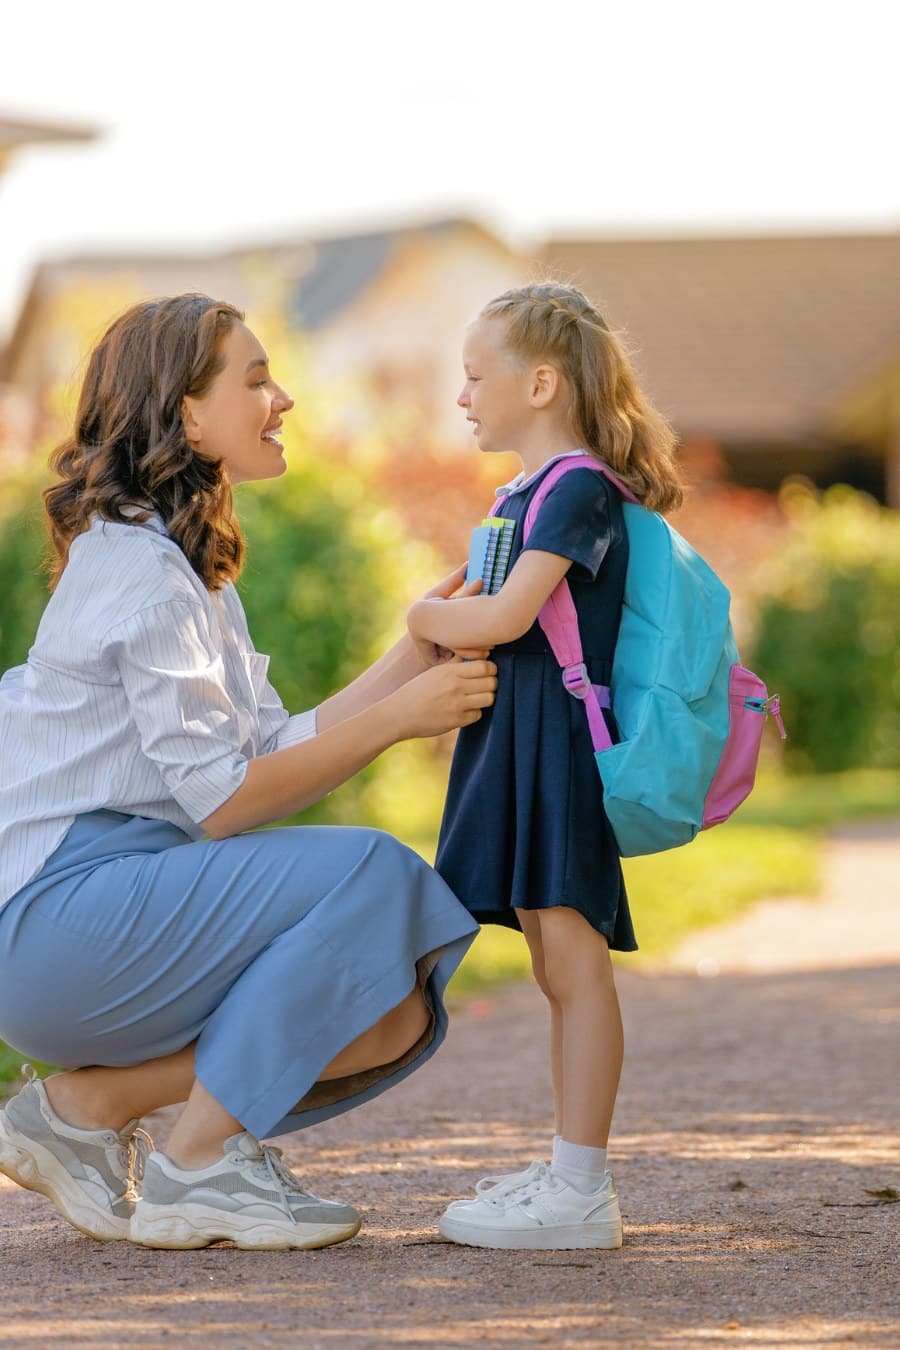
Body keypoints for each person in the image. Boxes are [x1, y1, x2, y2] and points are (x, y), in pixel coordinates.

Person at [0, 293, 498, 1251]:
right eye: (256, 377)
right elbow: (227, 805)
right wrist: (399, 721)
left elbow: (259, 750)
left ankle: (88, 1111)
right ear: (186, 412)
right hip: (55, 921)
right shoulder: (142, 573)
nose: (284, 398)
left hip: (107, 907)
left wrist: (411, 656)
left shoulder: (183, 566)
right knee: (377, 874)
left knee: (389, 1002)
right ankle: (198, 1166)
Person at [407, 282, 683, 1250]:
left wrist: (419, 616)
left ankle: (581, 1191)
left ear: (540, 381)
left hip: (558, 752)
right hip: (522, 743)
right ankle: (570, 1173)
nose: (463, 396)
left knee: (572, 962)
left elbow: (504, 617)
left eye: (476, 377)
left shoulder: (578, 487)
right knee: (550, 958)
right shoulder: (527, 491)